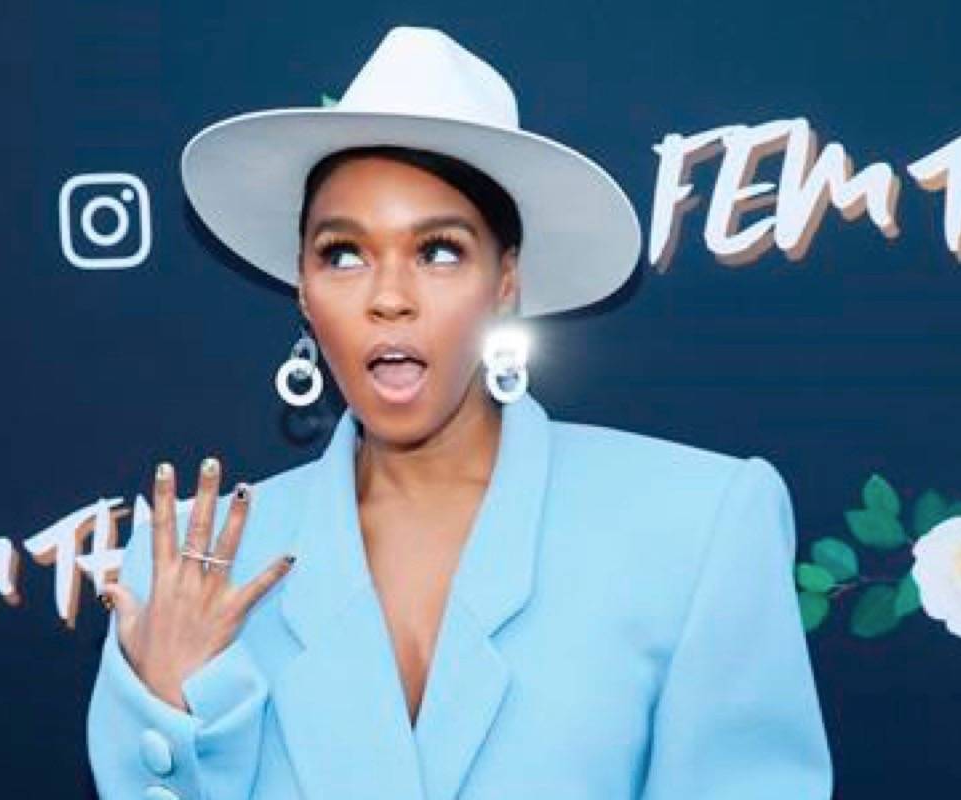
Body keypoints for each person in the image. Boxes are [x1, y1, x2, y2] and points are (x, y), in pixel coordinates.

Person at [87, 25, 833, 800]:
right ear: (304, 292)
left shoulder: (697, 524)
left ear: (505, 279)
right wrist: (169, 714)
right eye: (343, 253)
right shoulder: (193, 569)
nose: (389, 296)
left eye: (438, 250)